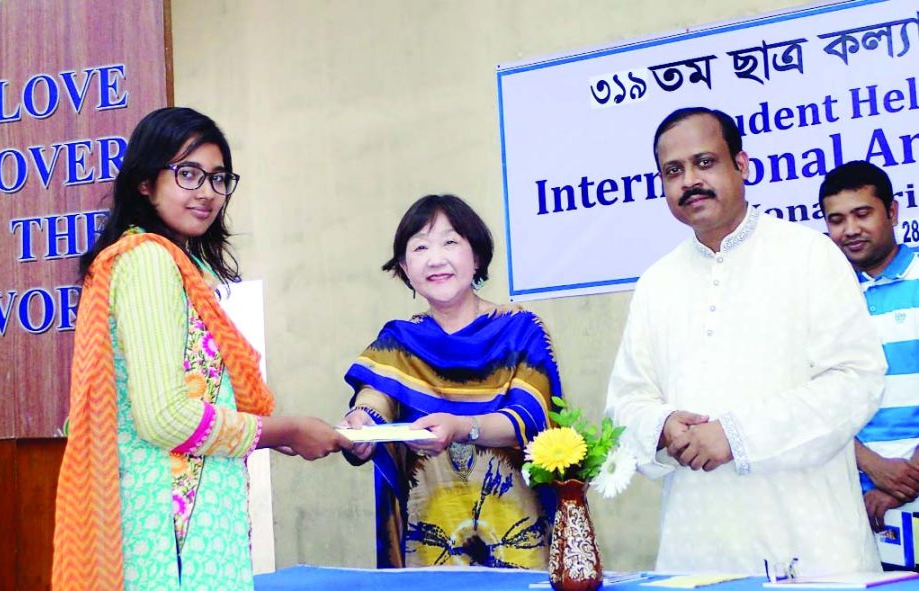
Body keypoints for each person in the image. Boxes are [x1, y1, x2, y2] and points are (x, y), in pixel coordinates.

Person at [52, 107, 351, 591]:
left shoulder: (175, 266)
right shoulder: (147, 262)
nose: (207, 192)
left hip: (185, 521)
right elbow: (163, 417)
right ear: (145, 183)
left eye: (218, 178)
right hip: (166, 530)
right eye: (188, 173)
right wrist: (284, 431)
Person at [605, 107, 887, 574]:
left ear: (742, 165)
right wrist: (663, 424)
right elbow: (627, 400)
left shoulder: (810, 254)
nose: (690, 180)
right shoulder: (657, 282)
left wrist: (736, 436)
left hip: (811, 542)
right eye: (673, 171)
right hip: (697, 544)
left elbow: (857, 381)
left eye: (705, 162)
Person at [338, 194, 561, 569]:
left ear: (476, 257)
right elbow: (374, 398)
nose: (435, 258)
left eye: (450, 242)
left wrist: (463, 427)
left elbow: (533, 419)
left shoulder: (521, 329)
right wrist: (360, 425)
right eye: (420, 247)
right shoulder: (398, 340)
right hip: (430, 546)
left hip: (519, 538)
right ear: (405, 269)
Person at [819, 160, 919, 570]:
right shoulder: (824, 298)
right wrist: (872, 467)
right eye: (837, 220)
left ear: (892, 212)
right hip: (853, 501)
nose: (851, 230)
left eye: (863, 213)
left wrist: (905, 481)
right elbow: (816, 400)